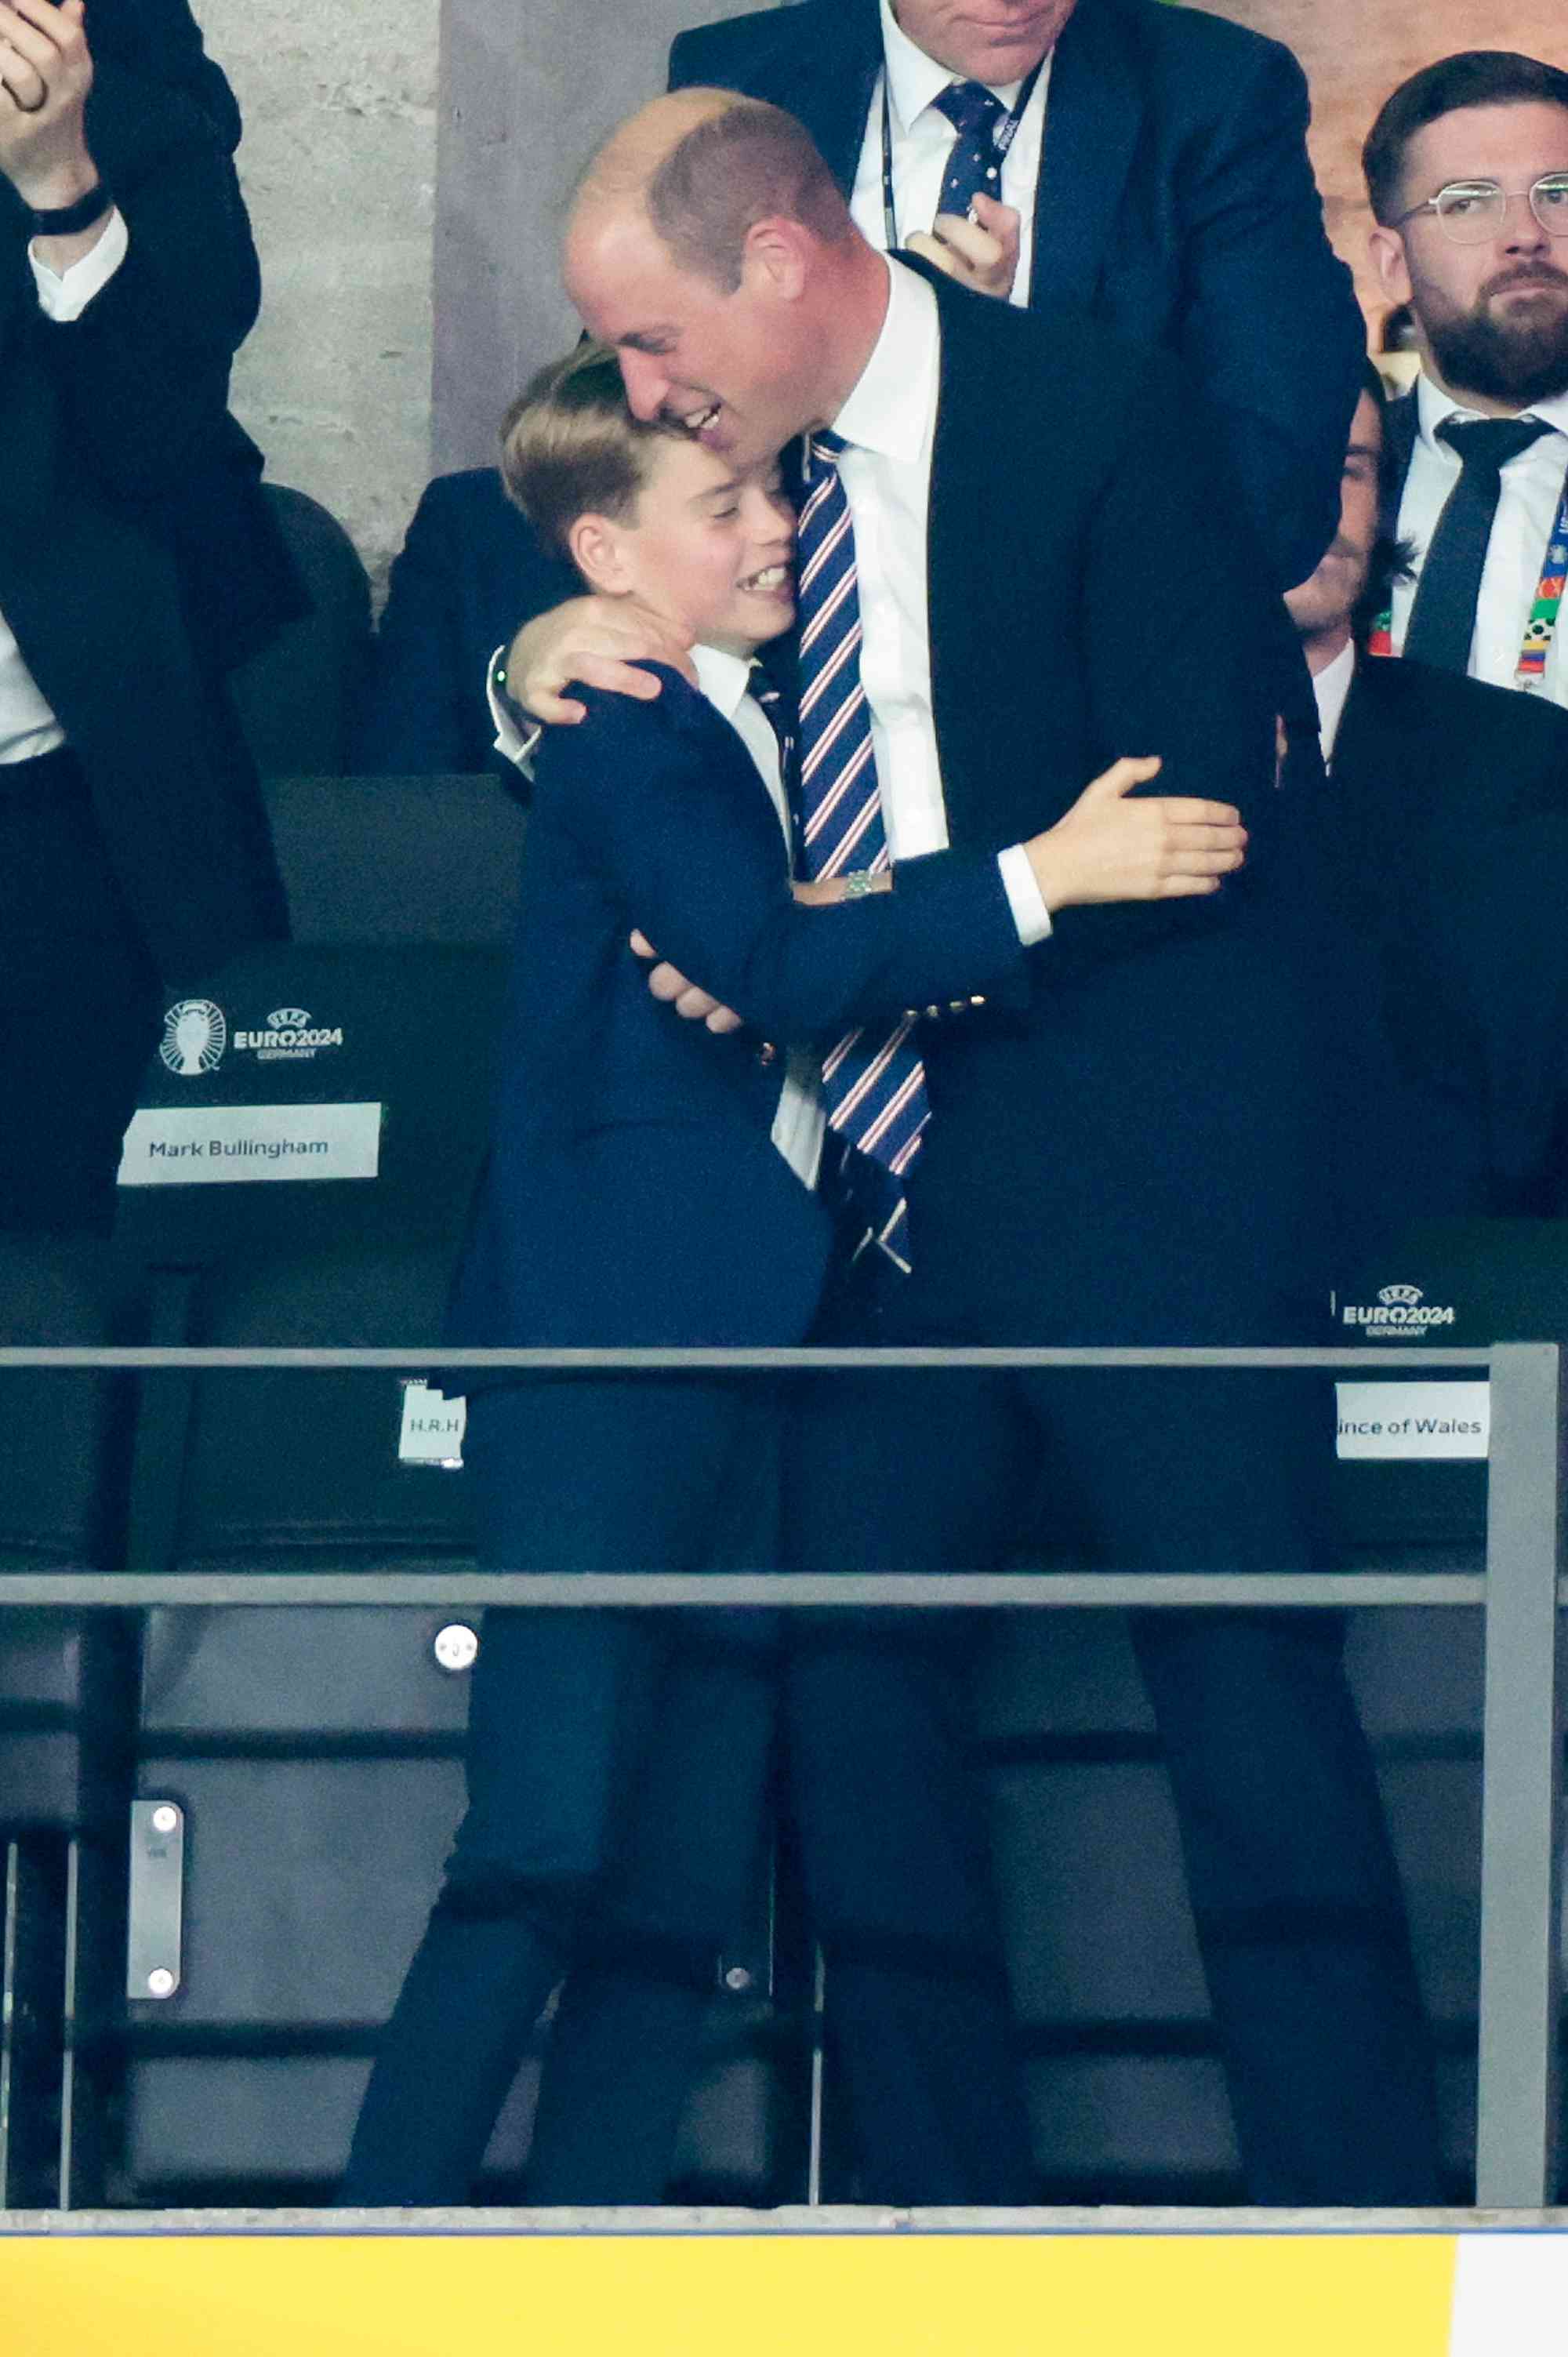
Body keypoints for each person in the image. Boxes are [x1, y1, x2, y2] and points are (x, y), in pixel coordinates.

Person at [520, 87, 1444, 2207]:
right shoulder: (702, 469)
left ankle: (1375, 2233)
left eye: (656, 343)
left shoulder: (1097, 412)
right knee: (854, 1716)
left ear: (776, 258)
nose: (639, 391)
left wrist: (816, 944)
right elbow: (579, 633)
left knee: (1248, 1702)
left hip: (1143, 1177)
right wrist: (524, 665)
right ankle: (946, 2238)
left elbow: (1197, 813)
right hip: (863, 1209)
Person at [339, 340, 1250, 2208]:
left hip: (748, 1338)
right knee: (546, 1830)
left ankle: (587, 2256)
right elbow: (755, 959)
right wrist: (1035, 876)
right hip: (608, 1352)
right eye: (727, 505)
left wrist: (812, 927)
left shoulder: (718, 718)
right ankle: (376, 2245)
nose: (774, 525)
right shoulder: (628, 721)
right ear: (603, 553)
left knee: (677, 1866)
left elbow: (764, 942)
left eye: (771, 489)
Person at [354, 0, 1359, 777]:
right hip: (795, 717)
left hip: (1101, 743)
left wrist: (950, 365)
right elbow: (636, 431)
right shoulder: (739, 76)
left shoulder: (1214, 93)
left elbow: (1271, 496)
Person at [0, 0, 299, 1237]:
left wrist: (58, 187)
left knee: (47, 1250)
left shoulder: (138, 100)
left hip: (45, 801)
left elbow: (167, 449)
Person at [1287, 365, 1568, 1223]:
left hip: (1461, 1284)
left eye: (1348, 467)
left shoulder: (1521, 761)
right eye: (1275, 457)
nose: (1317, 502)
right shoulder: (1094, 766)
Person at [1364, 52, 1568, 711]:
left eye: (1559, 193)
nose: (1526, 236)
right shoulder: (1328, 486)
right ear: (1393, 264)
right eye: (1469, 202)